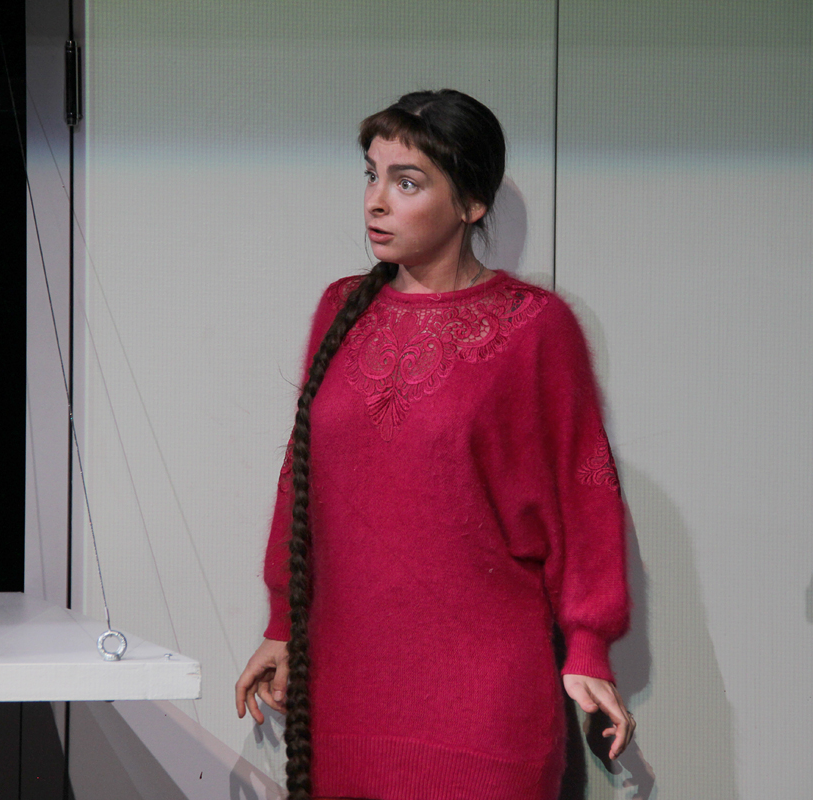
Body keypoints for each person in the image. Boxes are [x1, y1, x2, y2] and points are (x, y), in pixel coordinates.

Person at [235, 89, 633, 800]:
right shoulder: (340, 308)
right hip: (345, 689)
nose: (376, 202)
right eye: (372, 175)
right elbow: (303, 480)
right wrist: (282, 624)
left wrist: (589, 646)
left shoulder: (534, 327)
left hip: (482, 705)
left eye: (407, 182)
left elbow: (584, 494)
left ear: (471, 203)